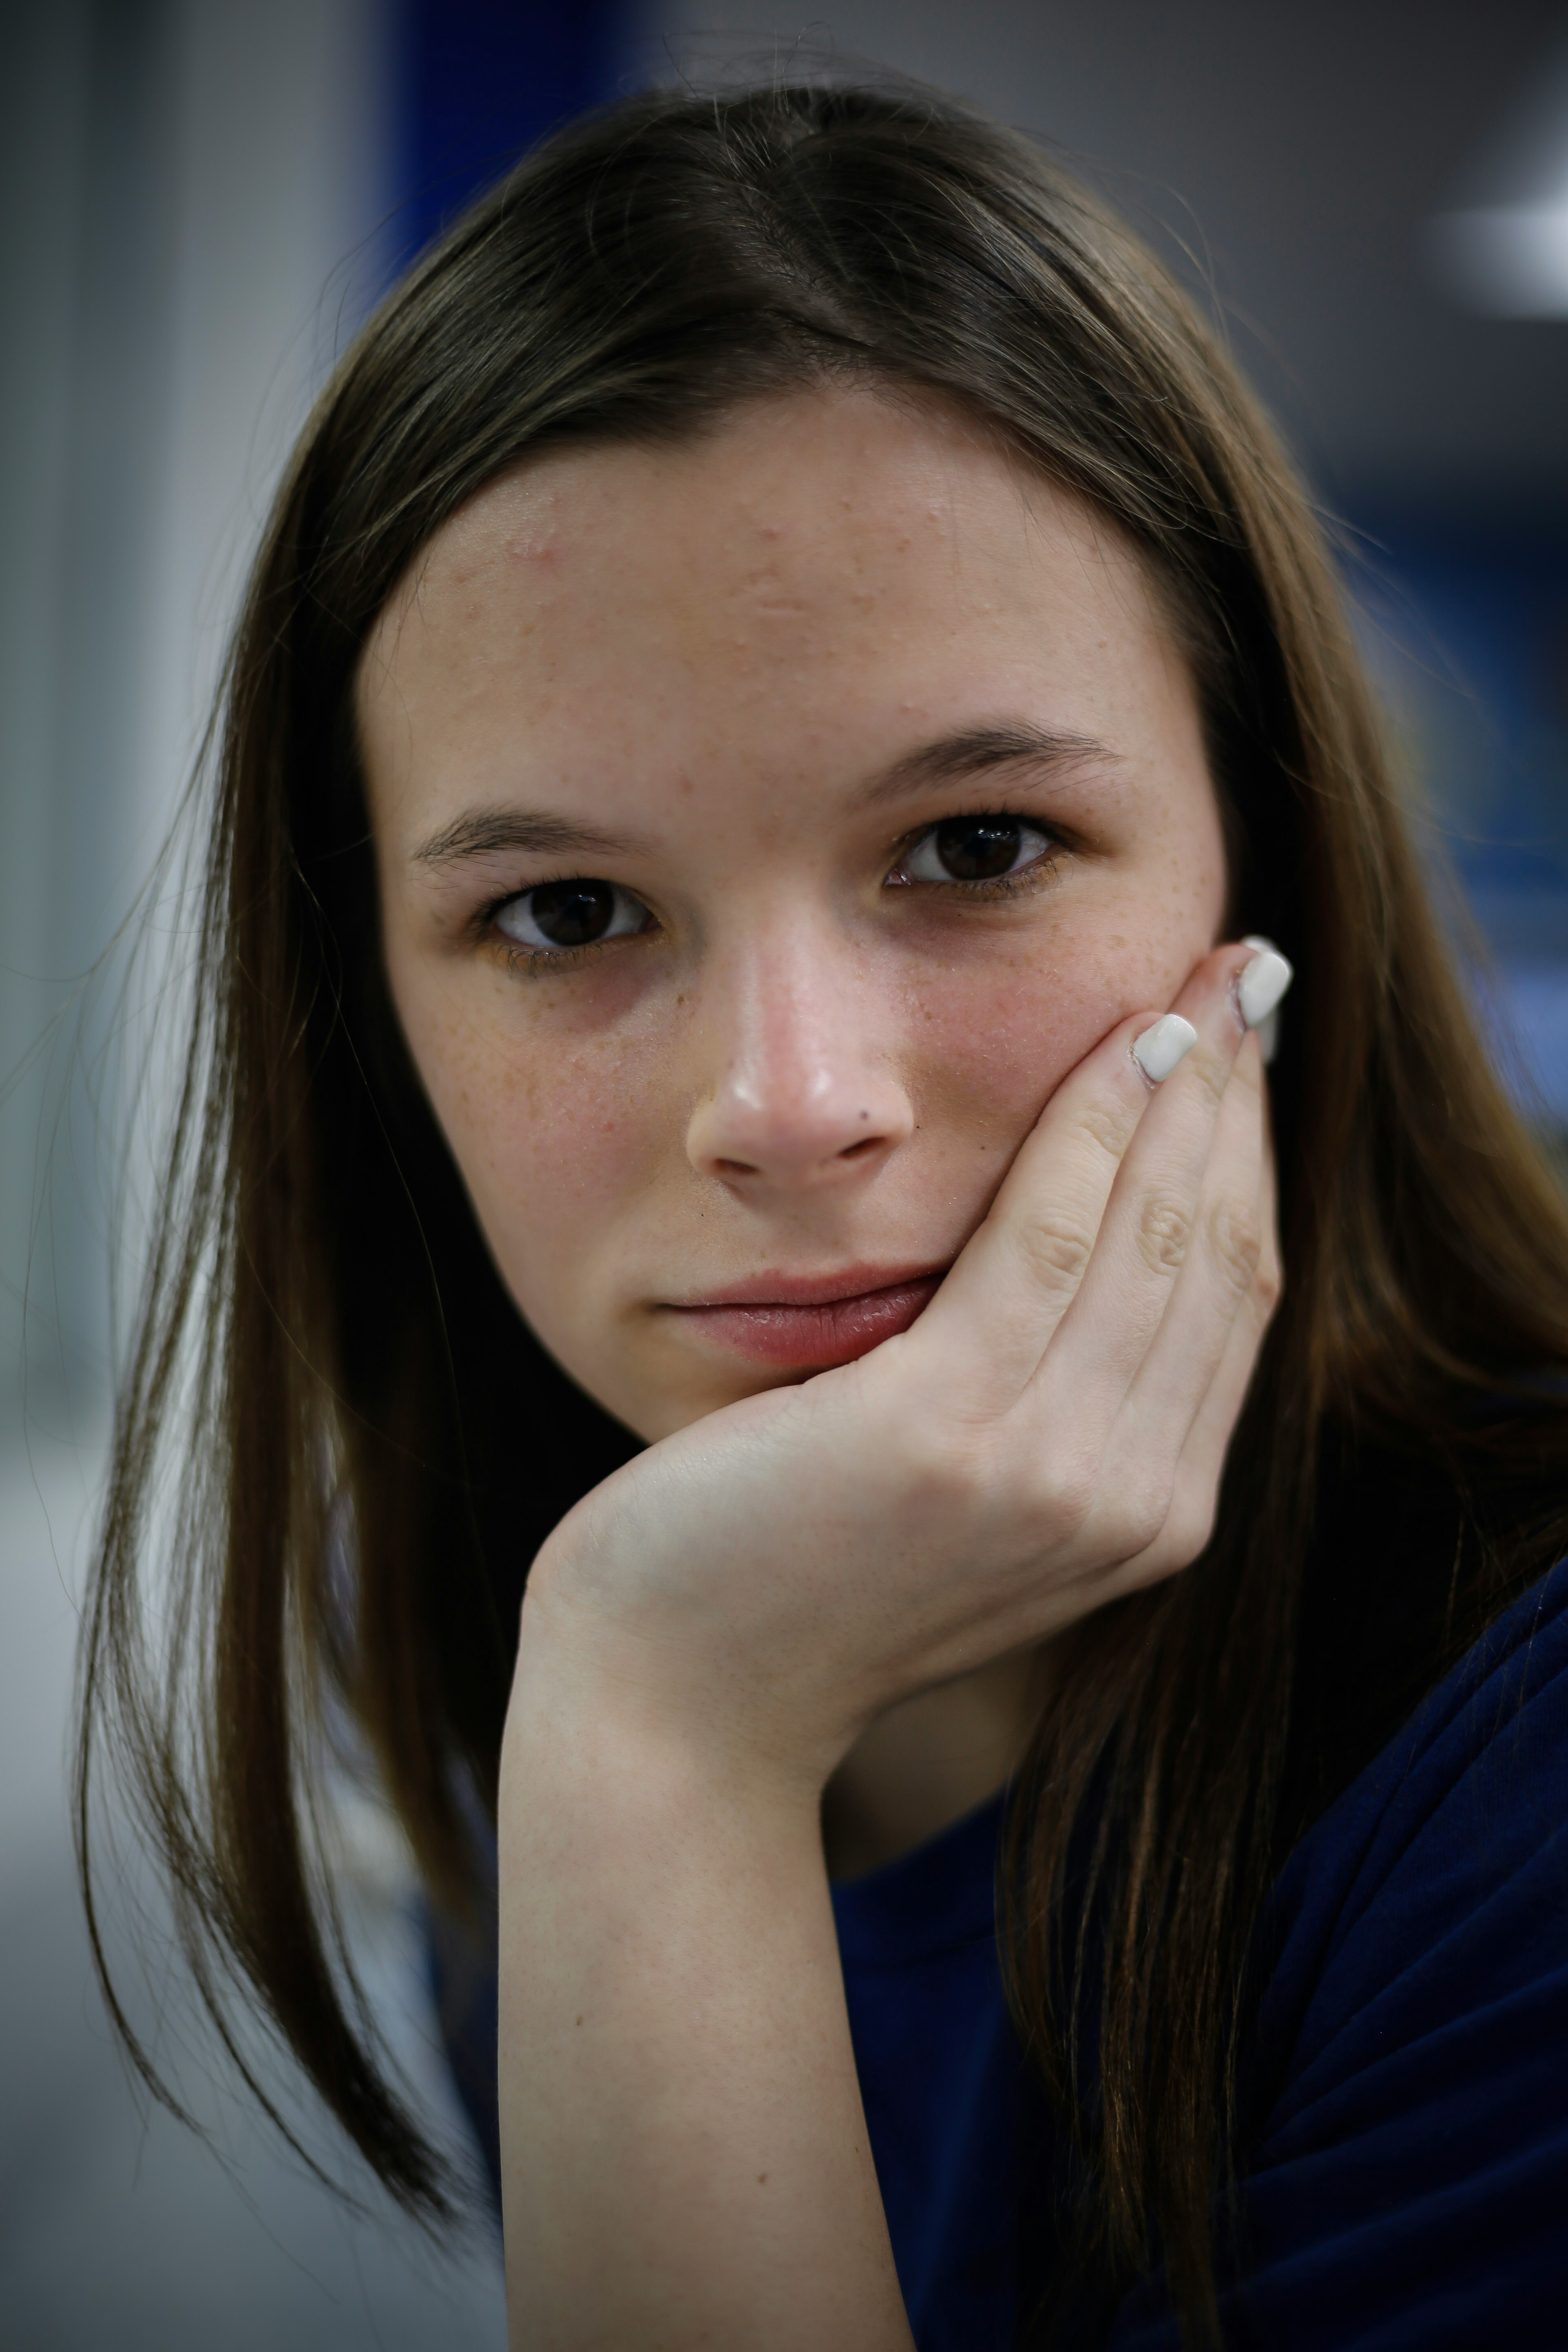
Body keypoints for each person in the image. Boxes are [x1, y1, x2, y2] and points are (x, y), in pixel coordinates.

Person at [76, 78, 1568, 2352]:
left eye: (976, 850)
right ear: (369, 1020)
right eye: (566, 909)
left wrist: (666, 1746)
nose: (792, 1107)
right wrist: (651, 1726)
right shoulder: (550, 1614)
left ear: (1268, 870)